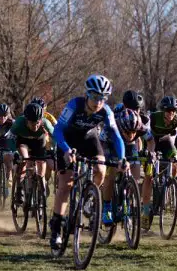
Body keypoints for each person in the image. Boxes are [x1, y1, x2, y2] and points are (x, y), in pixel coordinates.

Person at [49, 75, 124, 248]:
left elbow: (116, 135)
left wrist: (122, 158)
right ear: (87, 94)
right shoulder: (74, 105)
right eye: (95, 97)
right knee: (65, 185)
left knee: (101, 170)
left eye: (103, 98)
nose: (98, 102)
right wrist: (67, 150)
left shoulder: (106, 111)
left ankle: (90, 197)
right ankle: (56, 229)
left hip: (89, 138)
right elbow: (58, 130)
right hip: (67, 140)